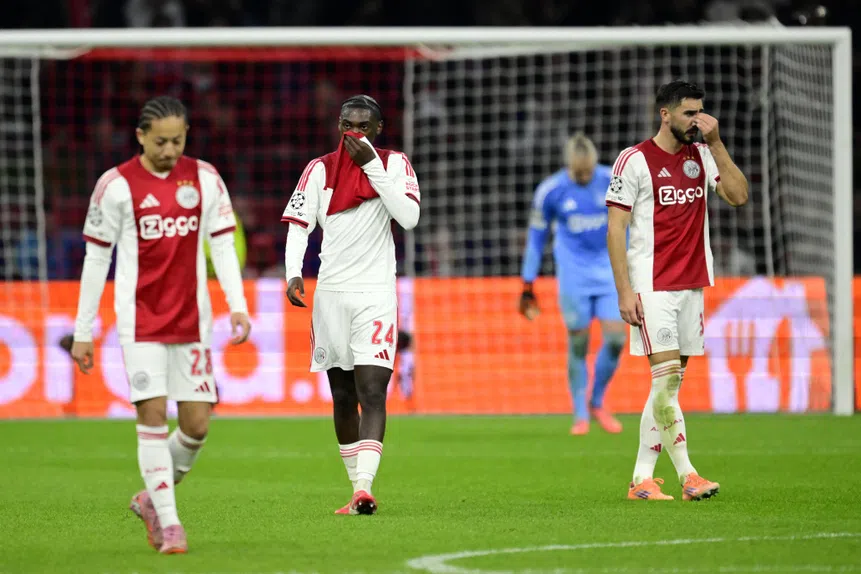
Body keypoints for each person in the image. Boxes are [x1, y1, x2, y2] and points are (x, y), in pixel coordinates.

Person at [70, 96, 251, 552]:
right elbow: (96, 258)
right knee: (151, 417)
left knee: (196, 426)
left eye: (178, 140)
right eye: (160, 142)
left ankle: (150, 499)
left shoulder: (206, 178)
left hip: (193, 321)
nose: (170, 150)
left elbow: (223, 246)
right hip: (140, 322)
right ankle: (170, 522)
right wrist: (82, 329)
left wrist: (238, 304)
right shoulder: (115, 186)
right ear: (140, 137)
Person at [605, 80, 748, 501]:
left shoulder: (703, 155)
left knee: (666, 387)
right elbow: (616, 228)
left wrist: (717, 142)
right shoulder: (633, 161)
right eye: (689, 113)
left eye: (701, 112)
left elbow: (738, 195)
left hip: (693, 285)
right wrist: (624, 290)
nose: (697, 121)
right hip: (652, 286)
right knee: (666, 382)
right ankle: (689, 475)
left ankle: (641, 480)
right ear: (665, 114)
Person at [282, 95, 420, 515]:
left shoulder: (395, 164)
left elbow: (409, 218)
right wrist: (292, 272)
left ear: (378, 129)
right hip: (331, 297)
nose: (354, 133)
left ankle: (365, 486)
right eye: (347, 125)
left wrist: (372, 167)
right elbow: (299, 224)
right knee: (342, 396)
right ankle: (353, 488)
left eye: (363, 126)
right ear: (339, 125)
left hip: (376, 295)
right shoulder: (319, 168)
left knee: (372, 391)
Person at [519, 132, 627, 436]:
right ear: (569, 167)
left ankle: (597, 401)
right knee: (579, 344)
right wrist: (528, 283)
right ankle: (580, 413)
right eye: (578, 173)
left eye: (588, 172)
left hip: (610, 273)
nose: (584, 177)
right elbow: (536, 238)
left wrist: (633, 266)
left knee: (617, 340)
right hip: (574, 277)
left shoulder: (611, 180)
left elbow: (629, 224)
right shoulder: (551, 191)